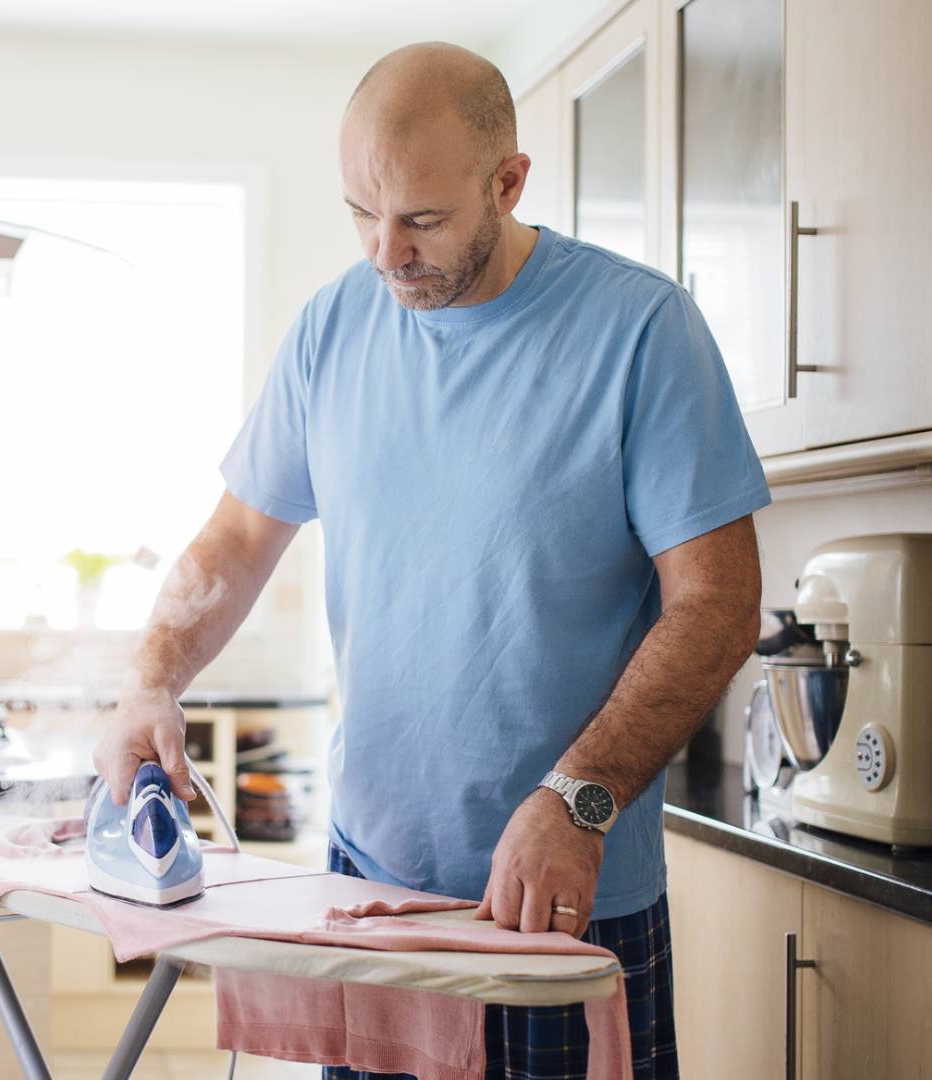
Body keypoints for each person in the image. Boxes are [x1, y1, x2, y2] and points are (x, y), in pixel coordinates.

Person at [94, 41, 768, 1079]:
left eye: (421, 220)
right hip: (372, 885)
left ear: (508, 183)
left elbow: (718, 606)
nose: (383, 252)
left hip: (557, 898)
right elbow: (235, 539)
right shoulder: (331, 328)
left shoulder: (641, 330)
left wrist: (578, 800)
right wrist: (150, 681)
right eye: (360, 213)